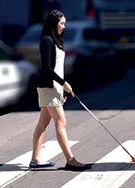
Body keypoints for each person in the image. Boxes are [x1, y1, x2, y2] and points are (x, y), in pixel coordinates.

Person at [30, 10, 90, 171]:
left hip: (54, 88)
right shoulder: (46, 41)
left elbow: (57, 68)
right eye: (61, 23)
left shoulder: (55, 40)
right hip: (48, 87)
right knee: (61, 122)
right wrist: (64, 84)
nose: (64, 26)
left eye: (64, 23)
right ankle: (70, 159)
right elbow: (47, 69)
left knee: (43, 123)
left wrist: (61, 91)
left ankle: (35, 159)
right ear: (53, 23)